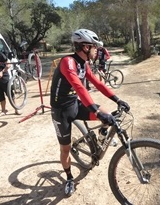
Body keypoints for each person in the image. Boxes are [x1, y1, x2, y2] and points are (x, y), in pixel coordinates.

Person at [50, 29, 129, 197]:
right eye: (95, 47)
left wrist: (117, 99)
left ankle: (98, 142)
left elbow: (98, 84)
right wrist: (95, 110)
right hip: (61, 111)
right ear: (85, 47)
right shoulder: (68, 62)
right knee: (65, 149)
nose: (97, 51)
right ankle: (70, 178)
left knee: (108, 115)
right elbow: (79, 87)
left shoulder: (83, 64)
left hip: (74, 104)